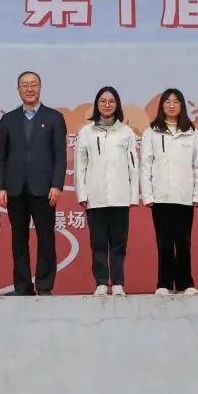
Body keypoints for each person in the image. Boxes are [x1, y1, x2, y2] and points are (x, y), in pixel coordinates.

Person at [0, 71, 67, 296]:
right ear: (18, 89)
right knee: (19, 240)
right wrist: (0, 186)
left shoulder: (54, 117)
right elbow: (1, 157)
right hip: (15, 189)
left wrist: (57, 185)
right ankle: (22, 286)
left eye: (33, 84)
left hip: (44, 189)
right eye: (24, 85)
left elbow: (60, 156)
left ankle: (44, 285)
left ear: (40, 88)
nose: (29, 89)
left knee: (46, 238)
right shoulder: (8, 120)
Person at [74, 86, 138, 296]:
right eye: (103, 101)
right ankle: (101, 282)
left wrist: (133, 196)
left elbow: (133, 166)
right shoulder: (86, 132)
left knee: (119, 243)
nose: (107, 105)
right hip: (96, 197)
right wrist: (82, 194)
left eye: (111, 101)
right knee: (98, 243)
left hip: (120, 196)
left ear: (117, 104)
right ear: (97, 105)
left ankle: (118, 282)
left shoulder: (126, 132)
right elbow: (80, 166)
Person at [140, 88, 198, 296]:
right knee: (164, 242)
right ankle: (164, 283)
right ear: (162, 106)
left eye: (176, 102)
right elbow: (145, 166)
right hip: (161, 197)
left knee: (184, 242)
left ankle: (186, 283)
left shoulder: (191, 132)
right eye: (167, 102)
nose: (171, 105)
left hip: (184, 196)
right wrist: (148, 195)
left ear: (182, 106)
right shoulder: (151, 132)